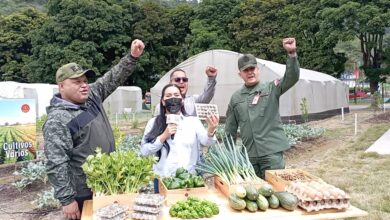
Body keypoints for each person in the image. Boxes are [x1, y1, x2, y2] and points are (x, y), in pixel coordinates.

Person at [43, 39, 145, 220]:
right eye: (76, 82)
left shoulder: (92, 96)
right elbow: (56, 162)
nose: (83, 85)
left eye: (85, 80)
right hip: (84, 193)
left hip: (108, 182)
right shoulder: (58, 119)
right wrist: (67, 200)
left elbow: (113, 77)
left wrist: (132, 57)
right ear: (61, 86)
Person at [224, 37, 300, 179]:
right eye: (245, 70)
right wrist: (229, 156)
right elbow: (230, 129)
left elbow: (292, 77)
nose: (250, 72)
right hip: (249, 156)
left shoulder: (271, 88)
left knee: (276, 190)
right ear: (240, 74)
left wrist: (291, 54)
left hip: (271, 154)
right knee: (254, 194)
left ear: (258, 70)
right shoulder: (236, 98)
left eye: (252, 68)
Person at [141, 84, 219, 177]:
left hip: (189, 178)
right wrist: (163, 137)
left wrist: (211, 130)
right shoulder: (153, 123)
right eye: (168, 96)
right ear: (163, 102)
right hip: (162, 179)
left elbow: (206, 142)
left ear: (182, 100)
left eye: (176, 95)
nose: (173, 98)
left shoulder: (193, 121)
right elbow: (144, 151)